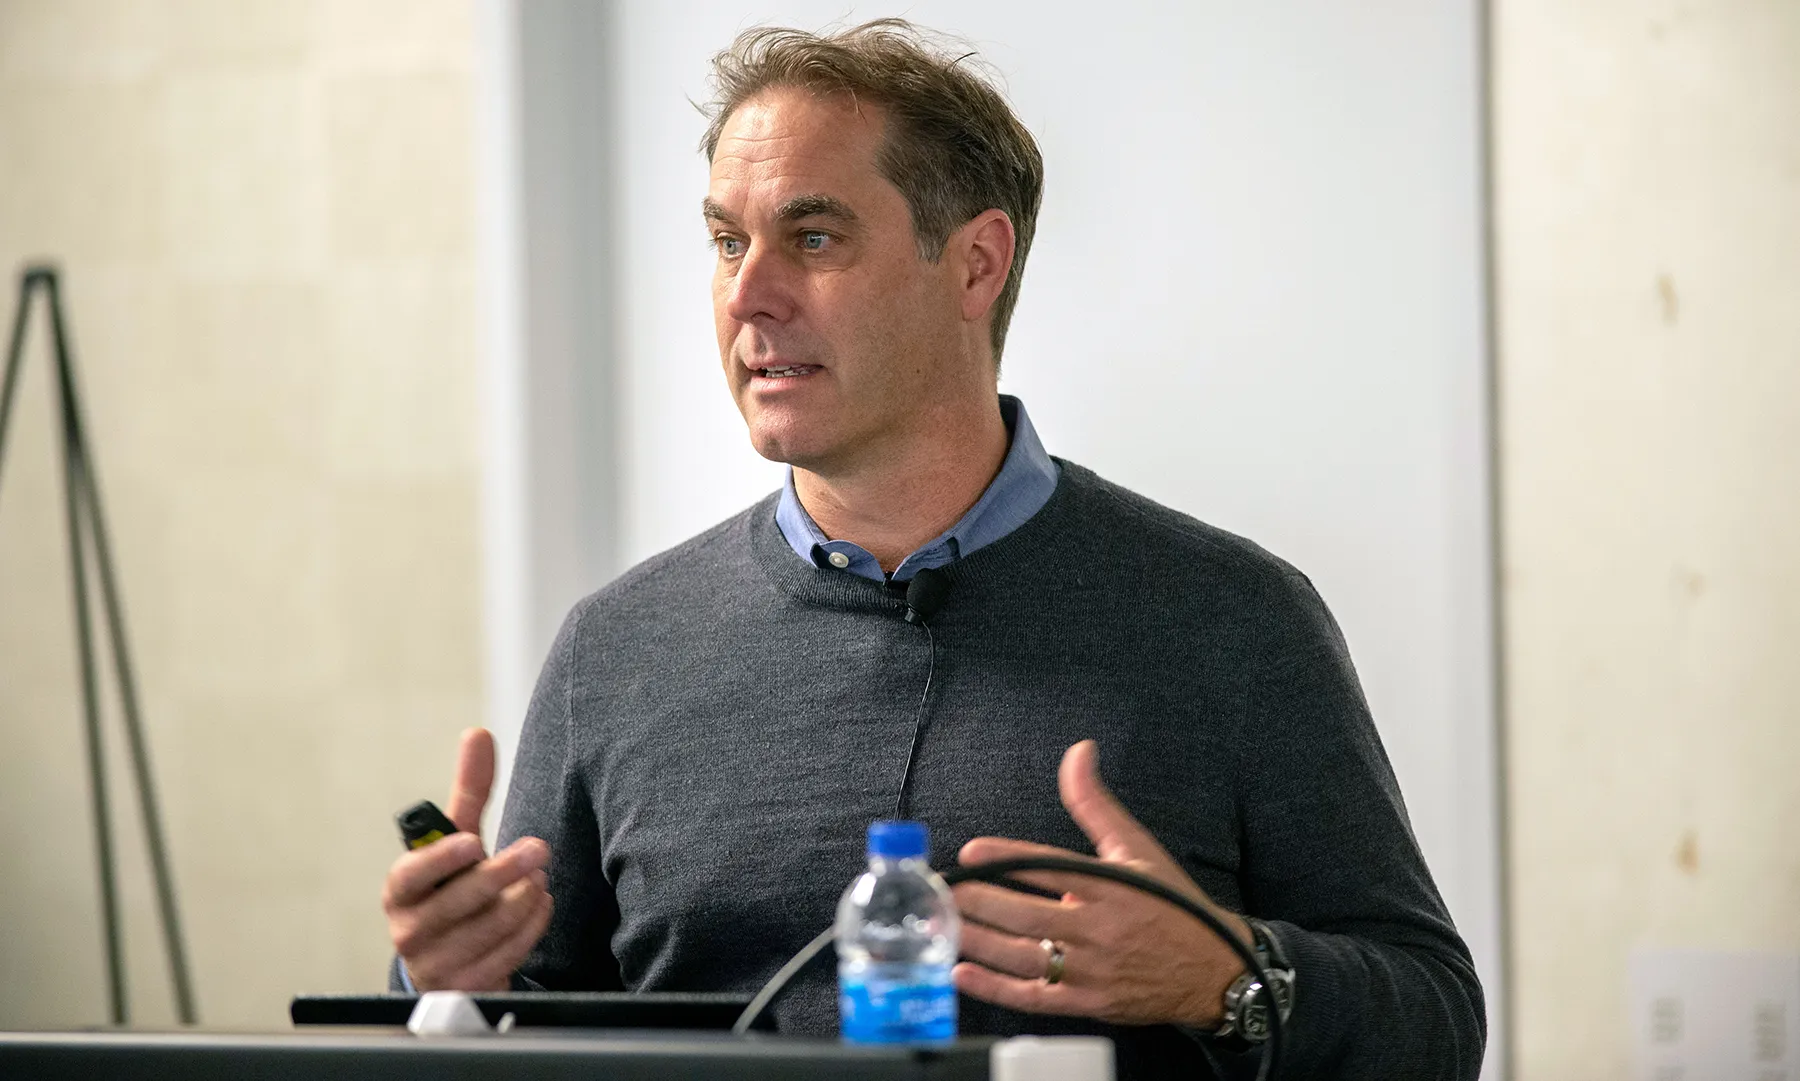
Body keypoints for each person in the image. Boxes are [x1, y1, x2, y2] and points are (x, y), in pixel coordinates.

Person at [380, 19, 1485, 1079]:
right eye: (726, 241)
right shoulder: (614, 648)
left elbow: (1435, 1021)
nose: (747, 295)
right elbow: (509, 1028)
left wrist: (1227, 981)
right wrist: (437, 982)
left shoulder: (1232, 617)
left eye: (813, 237)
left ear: (975, 265)